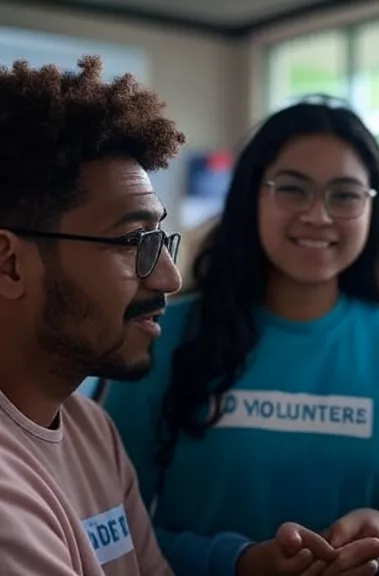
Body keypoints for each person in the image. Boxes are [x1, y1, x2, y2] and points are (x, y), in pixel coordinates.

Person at [103, 99, 379, 576]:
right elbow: (105, 523)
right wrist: (237, 562)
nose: (318, 215)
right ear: (251, 198)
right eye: (292, 189)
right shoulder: (164, 335)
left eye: (344, 195)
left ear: (374, 207)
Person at [0, 56, 185, 575]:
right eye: (132, 242)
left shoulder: (90, 427)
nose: (167, 278)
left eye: (159, 240)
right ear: (10, 264)